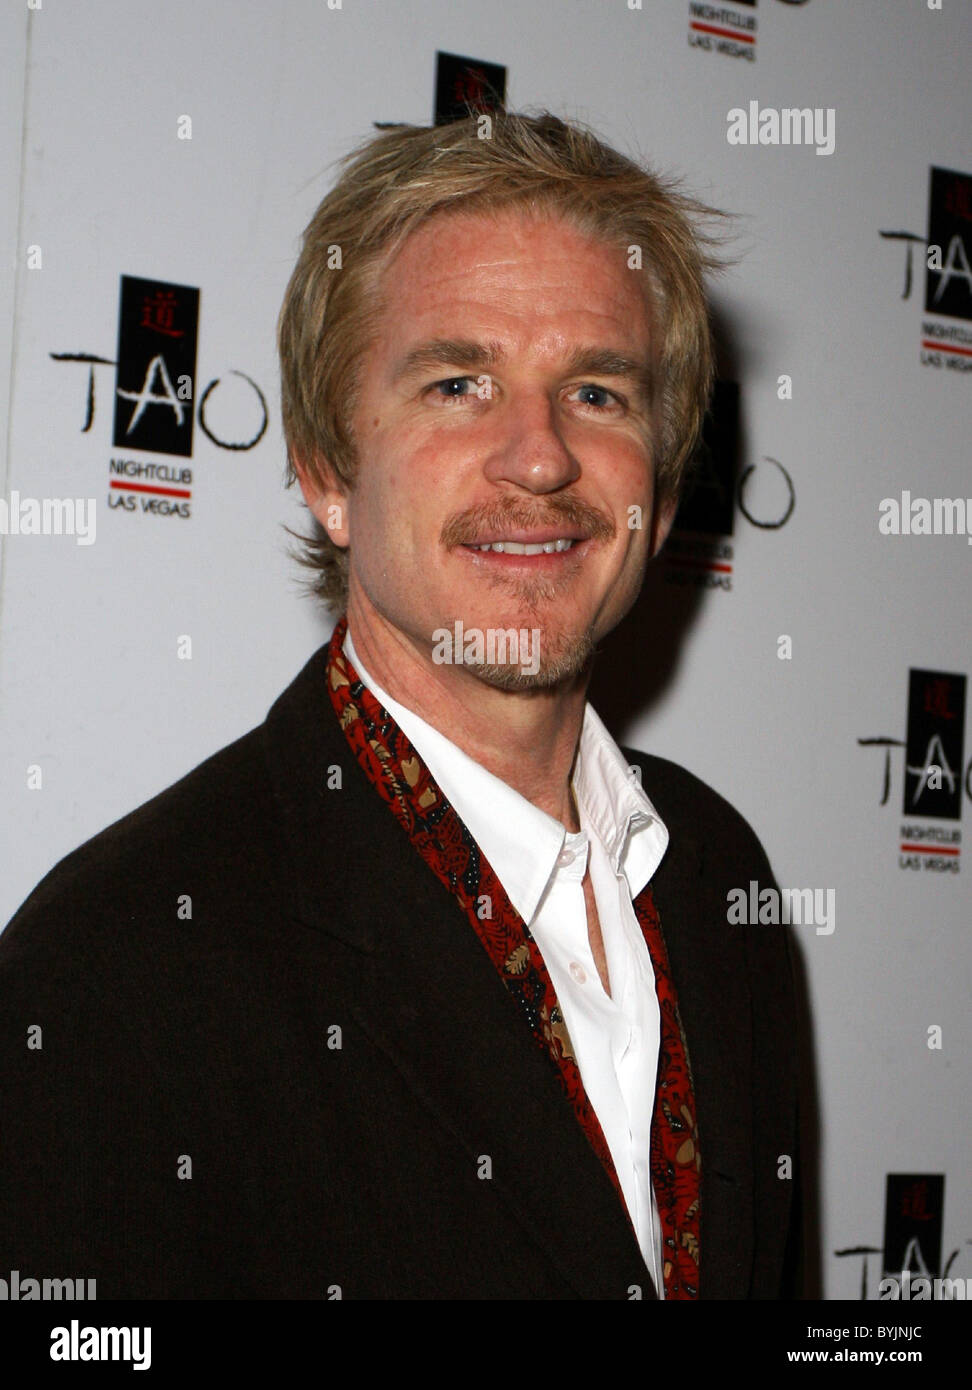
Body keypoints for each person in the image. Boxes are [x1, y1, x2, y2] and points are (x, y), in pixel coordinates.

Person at [0, 110, 800, 1300]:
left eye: (596, 390)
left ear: (664, 497)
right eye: (458, 382)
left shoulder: (718, 875)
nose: (539, 458)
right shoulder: (117, 961)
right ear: (329, 471)